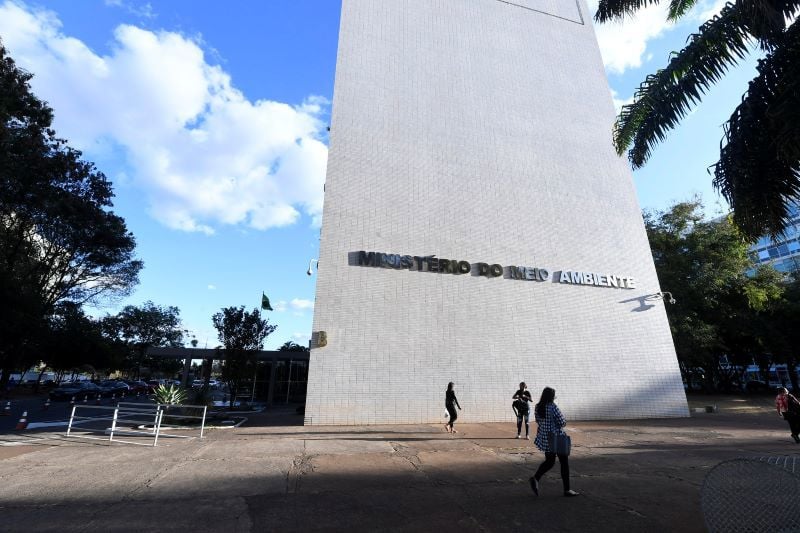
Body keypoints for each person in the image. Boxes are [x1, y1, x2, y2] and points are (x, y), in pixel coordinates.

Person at [529, 387, 579, 497]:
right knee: (564, 463)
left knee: (550, 461)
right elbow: (562, 422)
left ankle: (536, 478)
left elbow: (538, 421)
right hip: (557, 438)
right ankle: (567, 490)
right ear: (552, 397)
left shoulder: (538, 407)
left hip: (546, 438)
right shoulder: (553, 407)